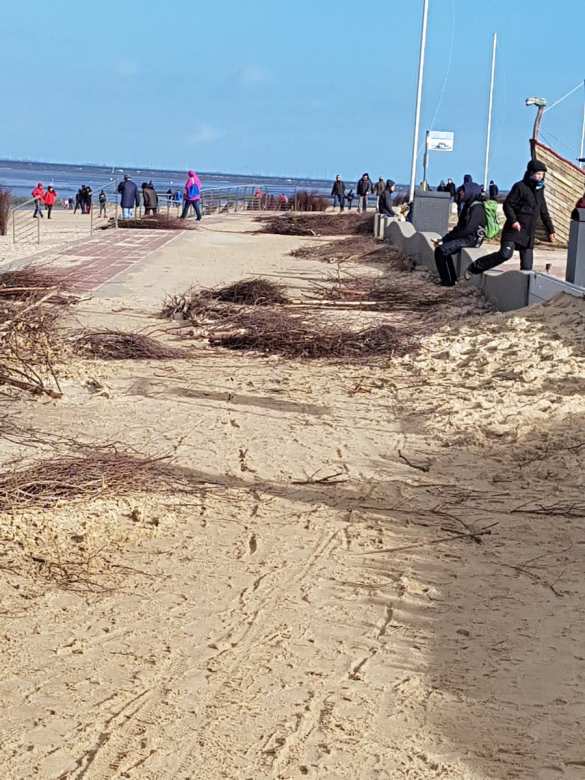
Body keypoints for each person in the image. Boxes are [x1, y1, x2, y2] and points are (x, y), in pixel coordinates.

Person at [465, 160, 555, 277]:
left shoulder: (539, 190)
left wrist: (551, 230)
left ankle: (522, 294)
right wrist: (514, 221)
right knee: (505, 254)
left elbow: (544, 211)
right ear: (530, 173)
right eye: (538, 174)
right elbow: (508, 205)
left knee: (527, 269)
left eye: (542, 174)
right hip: (513, 231)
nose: (540, 177)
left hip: (528, 234)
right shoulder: (520, 187)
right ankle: (474, 268)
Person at [433, 193, 487, 286]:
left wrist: (454, 237)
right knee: (443, 249)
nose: (460, 195)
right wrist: (445, 239)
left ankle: (448, 282)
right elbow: (459, 227)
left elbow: (469, 229)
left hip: (472, 239)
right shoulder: (468, 205)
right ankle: (451, 279)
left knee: (441, 251)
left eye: (462, 192)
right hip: (466, 237)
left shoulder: (477, 207)